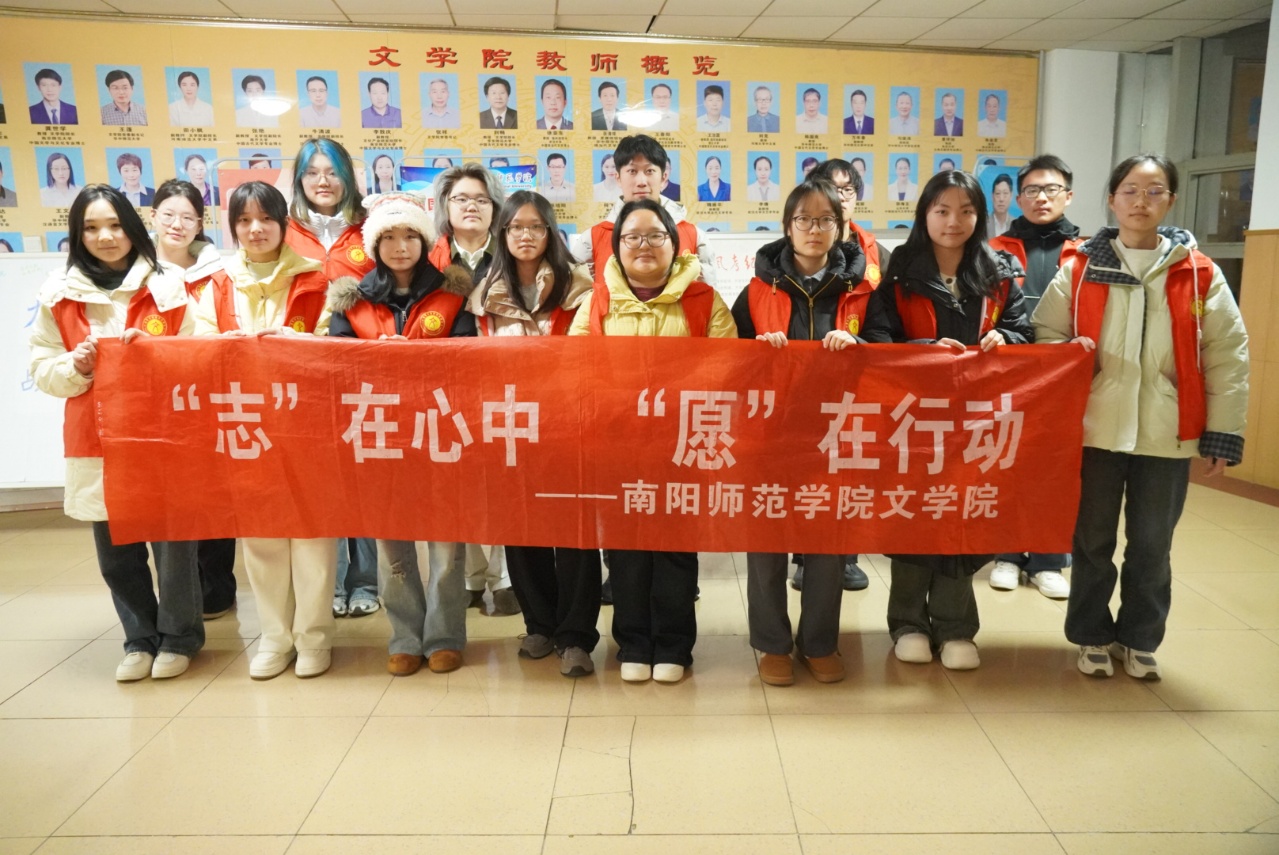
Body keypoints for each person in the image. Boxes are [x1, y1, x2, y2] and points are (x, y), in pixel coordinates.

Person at [1033, 154, 1249, 680]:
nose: (1141, 202)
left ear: (1170, 201)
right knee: (1092, 542)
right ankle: (1090, 635)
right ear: (1112, 199)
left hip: (1167, 432)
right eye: (1130, 190)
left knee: (1153, 545)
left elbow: (1227, 354)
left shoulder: (1198, 273)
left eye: (1154, 192)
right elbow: (1046, 335)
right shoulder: (1079, 269)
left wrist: (1222, 434)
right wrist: (1075, 360)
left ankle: (1139, 638)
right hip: (1094, 428)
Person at [860, 169, 1033, 671]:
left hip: (976, 421)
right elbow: (878, 339)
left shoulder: (998, 273)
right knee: (913, 518)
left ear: (980, 216)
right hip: (913, 420)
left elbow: (1025, 332)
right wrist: (925, 349)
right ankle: (908, 623)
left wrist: (1007, 339)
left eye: (966, 211)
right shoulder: (899, 273)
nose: (953, 221)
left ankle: (956, 627)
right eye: (942, 210)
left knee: (962, 518)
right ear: (925, 215)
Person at [29, 185, 201, 681]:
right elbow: (43, 369)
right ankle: (139, 639)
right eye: (91, 227)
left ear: (132, 227)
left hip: (162, 434)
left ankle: (179, 638)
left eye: (114, 225)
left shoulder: (170, 285)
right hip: (96, 437)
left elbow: (199, 355)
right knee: (116, 549)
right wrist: (75, 364)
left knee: (173, 546)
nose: (105, 236)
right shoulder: (57, 294)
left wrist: (155, 352)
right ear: (77, 234)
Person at [569, 198, 737, 682]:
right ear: (617, 246)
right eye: (632, 237)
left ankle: (674, 647)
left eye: (655, 236)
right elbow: (574, 369)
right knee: (625, 551)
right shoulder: (597, 301)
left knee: (675, 549)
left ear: (674, 242)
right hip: (617, 446)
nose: (643, 245)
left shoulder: (704, 301)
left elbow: (728, 371)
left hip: (682, 446)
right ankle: (634, 644)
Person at [327, 191, 476, 675]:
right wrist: (375, 361)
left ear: (425, 241)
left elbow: (471, 362)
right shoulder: (351, 301)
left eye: (410, 235)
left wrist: (419, 361)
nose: (400, 246)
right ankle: (406, 636)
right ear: (374, 245)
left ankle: (445, 636)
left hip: (441, 434)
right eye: (388, 236)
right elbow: (334, 369)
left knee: (447, 546)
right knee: (393, 545)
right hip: (380, 436)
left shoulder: (454, 294)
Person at [192, 181, 337, 679]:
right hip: (246, 425)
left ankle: (314, 637)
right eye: (244, 220)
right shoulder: (216, 285)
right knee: (261, 537)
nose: (255, 229)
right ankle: (275, 637)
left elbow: (335, 347)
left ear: (283, 224)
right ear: (233, 227)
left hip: (306, 425)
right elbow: (196, 347)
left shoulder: (315, 279)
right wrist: (226, 345)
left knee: (313, 537)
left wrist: (294, 343)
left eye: (265, 219)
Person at [732, 179, 868, 686]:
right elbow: (727, 357)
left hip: (837, 432)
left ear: (841, 226)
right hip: (770, 433)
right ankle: (772, 644)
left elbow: (885, 345)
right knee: (766, 543)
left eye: (825, 219)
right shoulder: (757, 289)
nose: (814, 229)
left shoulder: (861, 290)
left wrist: (856, 345)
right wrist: (757, 351)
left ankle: (819, 642)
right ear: (787, 227)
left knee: (828, 542)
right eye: (804, 219)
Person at [468, 190, 598, 675]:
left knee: (575, 533)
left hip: (568, 426)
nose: (526, 235)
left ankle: (576, 635)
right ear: (502, 233)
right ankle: (539, 623)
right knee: (521, 531)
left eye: (536, 226)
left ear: (551, 233)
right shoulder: (483, 296)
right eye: (516, 227)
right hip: (509, 427)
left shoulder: (580, 289)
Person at [280, 138, 380, 619]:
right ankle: (331, 582)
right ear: (299, 179)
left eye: (333, 171)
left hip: (361, 372)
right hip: (299, 376)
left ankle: (366, 581)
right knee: (321, 483)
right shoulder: (283, 231)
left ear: (348, 178)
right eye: (313, 172)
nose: (323, 181)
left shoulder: (370, 229)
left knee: (364, 478)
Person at [986, 154, 1082, 599]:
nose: (1042, 198)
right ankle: (1006, 554)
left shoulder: (1086, 251)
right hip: (1009, 374)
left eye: (1051, 189)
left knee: (1055, 469)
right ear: (1018, 198)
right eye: (1032, 190)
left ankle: (1049, 560)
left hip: (1063, 376)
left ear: (1068, 195)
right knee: (1006, 460)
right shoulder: (995, 249)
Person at [427, 162, 520, 615]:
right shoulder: (426, 258)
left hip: (502, 384)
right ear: (445, 206)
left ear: (495, 209)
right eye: (461, 198)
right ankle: (469, 577)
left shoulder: (511, 255)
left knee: (500, 482)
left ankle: (503, 579)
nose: (471, 207)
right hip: (444, 389)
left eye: (481, 200)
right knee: (455, 484)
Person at [150, 179, 237, 619]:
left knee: (217, 493)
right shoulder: (137, 272)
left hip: (212, 396)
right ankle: (177, 591)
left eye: (188, 217)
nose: (177, 225)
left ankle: (217, 586)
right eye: (168, 215)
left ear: (200, 224)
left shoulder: (219, 273)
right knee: (170, 498)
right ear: (152, 217)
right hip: (157, 401)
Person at [573, 135, 717, 288]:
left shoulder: (695, 236)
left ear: (664, 177)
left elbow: (708, 297)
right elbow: (580, 298)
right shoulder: (591, 240)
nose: (641, 182)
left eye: (649, 171)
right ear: (618, 178)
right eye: (632, 171)